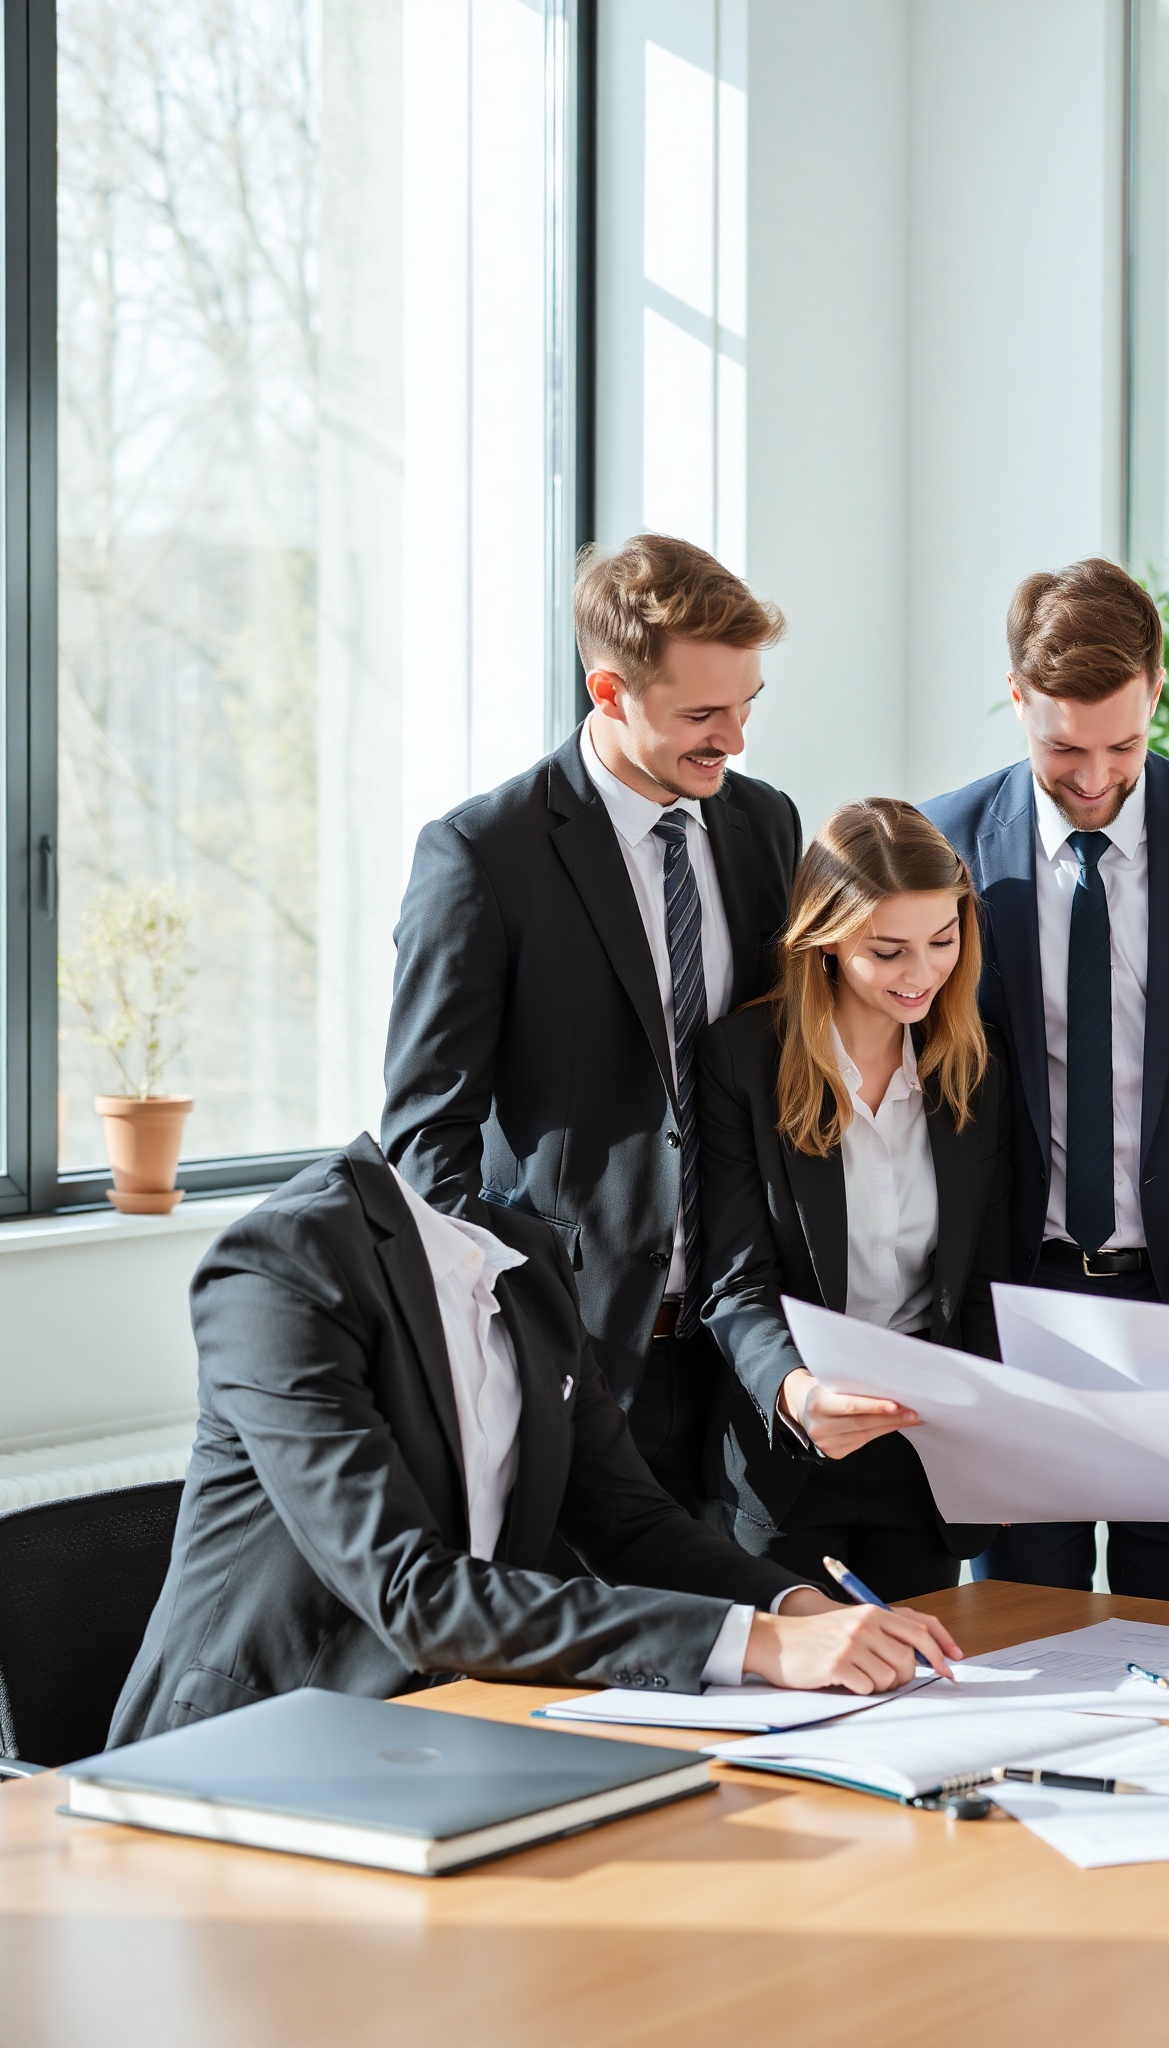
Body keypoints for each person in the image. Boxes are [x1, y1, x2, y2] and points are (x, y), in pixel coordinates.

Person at [110, 1137, 961, 1745]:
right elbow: (412, 1592)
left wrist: (798, 1608)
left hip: (446, 1731)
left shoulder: (525, 1263)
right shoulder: (283, 1264)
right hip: (248, 1749)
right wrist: (758, 1645)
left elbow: (630, 1524)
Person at [382, 535, 802, 1512]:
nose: (734, 740)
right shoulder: (483, 853)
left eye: (746, 705)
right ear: (608, 692)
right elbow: (425, 1141)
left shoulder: (766, 825)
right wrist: (511, 1326)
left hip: (746, 1352)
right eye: (701, 715)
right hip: (577, 1354)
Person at [922, 557, 1169, 1609]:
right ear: (1015, 697)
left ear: (1155, 692)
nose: (1094, 779)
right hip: (1017, 1307)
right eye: (1062, 750)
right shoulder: (944, 841)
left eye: (1122, 746)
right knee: (1025, 1623)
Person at [696, 801, 1009, 1598]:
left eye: (943, 941)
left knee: (925, 1670)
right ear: (827, 940)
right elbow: (736, 1284)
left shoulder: (974, 1069)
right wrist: (799, 1395)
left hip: (925, 1458)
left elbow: (981, 1279)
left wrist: (993, 1447)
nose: (922, 974)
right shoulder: (742, 1061)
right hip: (792, 1452)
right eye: (888, 951)